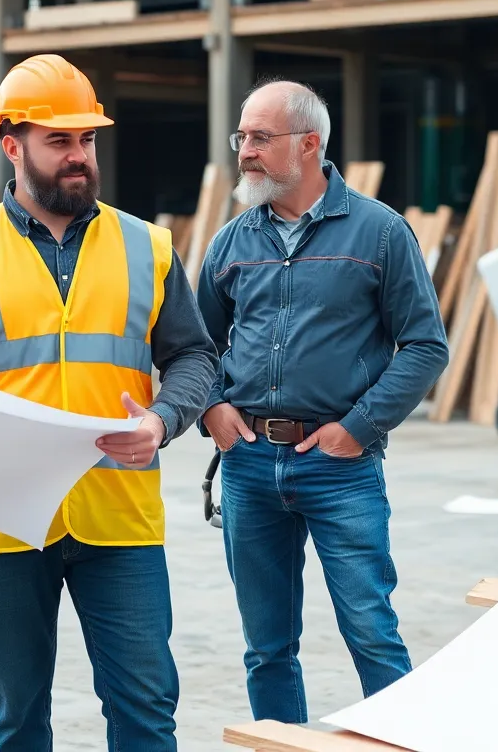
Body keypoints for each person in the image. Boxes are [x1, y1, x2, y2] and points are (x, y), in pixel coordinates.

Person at [0, 53, 218, 751]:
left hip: (120, 517)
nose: (79, 157)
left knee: (144, 708)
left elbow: (195, 355)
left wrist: (163, 419)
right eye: (60, 141)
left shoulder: (149, 246)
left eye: (87, 140)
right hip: (5, 517)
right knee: (18, 716)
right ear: (11, 145)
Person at [195, 79, 450, 722]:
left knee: (371, 633)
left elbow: (424, 346)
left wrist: (358, 429)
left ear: (309, 144)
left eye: (260, 138)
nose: (245, 151)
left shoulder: (381, 233)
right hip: (249, 465)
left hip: (341, 469)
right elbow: (193, 347)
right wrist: (212, 411)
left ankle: (401, 739)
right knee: (267, 648)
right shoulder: (230, 243)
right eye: (242, 137)